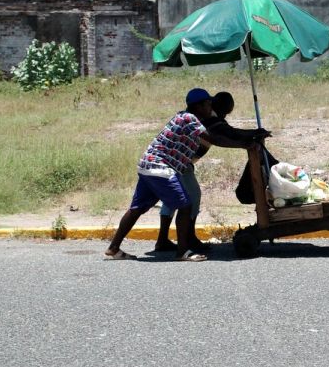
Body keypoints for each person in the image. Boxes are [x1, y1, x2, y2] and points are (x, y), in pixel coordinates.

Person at [105, 88, 258, 262]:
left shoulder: (185, 116)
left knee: (136, 209)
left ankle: (113, 248)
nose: (211, 107)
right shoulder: (189, 119)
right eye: (208, 104)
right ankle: (183, 252)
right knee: (185, 206)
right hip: (161, 167)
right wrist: (245, 145)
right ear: (199, 106)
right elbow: (215, 139)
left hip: (148, 164)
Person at [155, 91, 267, 252]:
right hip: (179, 163)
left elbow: (227, 130)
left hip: (171, 161)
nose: (224, 116)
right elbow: (222, 135)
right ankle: (189, 239)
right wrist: (249, 138)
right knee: (193, 196)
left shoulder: (197, 114)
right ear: (213, 106)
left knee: (170, 200)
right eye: (224, 112)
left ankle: (163, 240)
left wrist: (251, 134)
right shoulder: (206, 117)